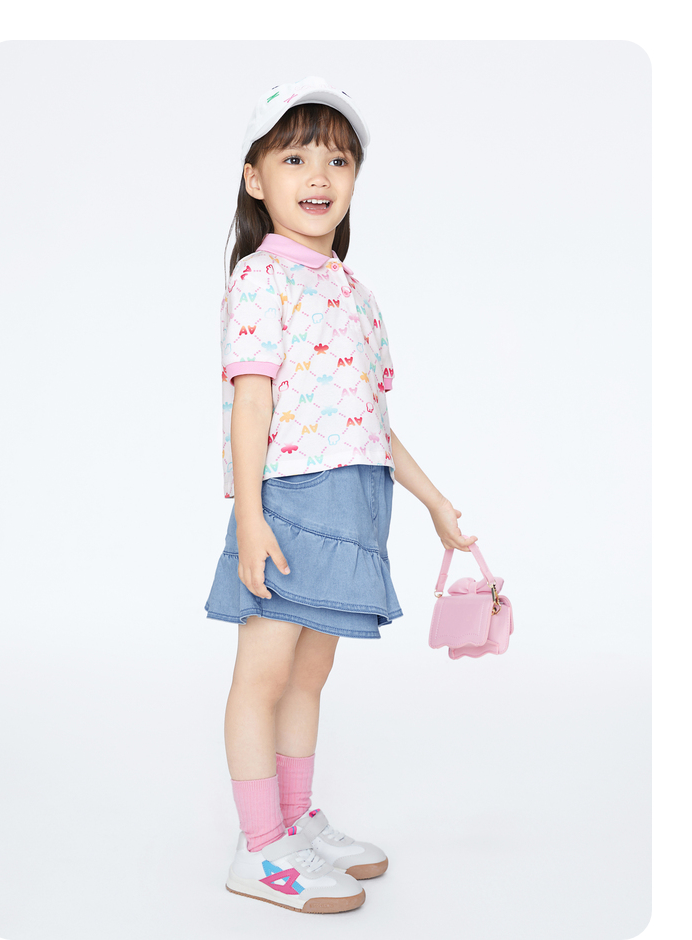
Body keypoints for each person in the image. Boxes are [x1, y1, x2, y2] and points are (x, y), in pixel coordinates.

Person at [204, 76, 478, 914]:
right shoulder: (262, 279)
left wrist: (433, 502)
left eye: (338, 159)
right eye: (294, 158)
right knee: (264, 672)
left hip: (355, 502)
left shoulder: (355, 292)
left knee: (309, 673)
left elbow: (371, 421)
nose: (319, 175)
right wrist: (252, 516)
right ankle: (260, 849)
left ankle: (295, 820)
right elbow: (253, 405)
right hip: (290, 500)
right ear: (255, 178)